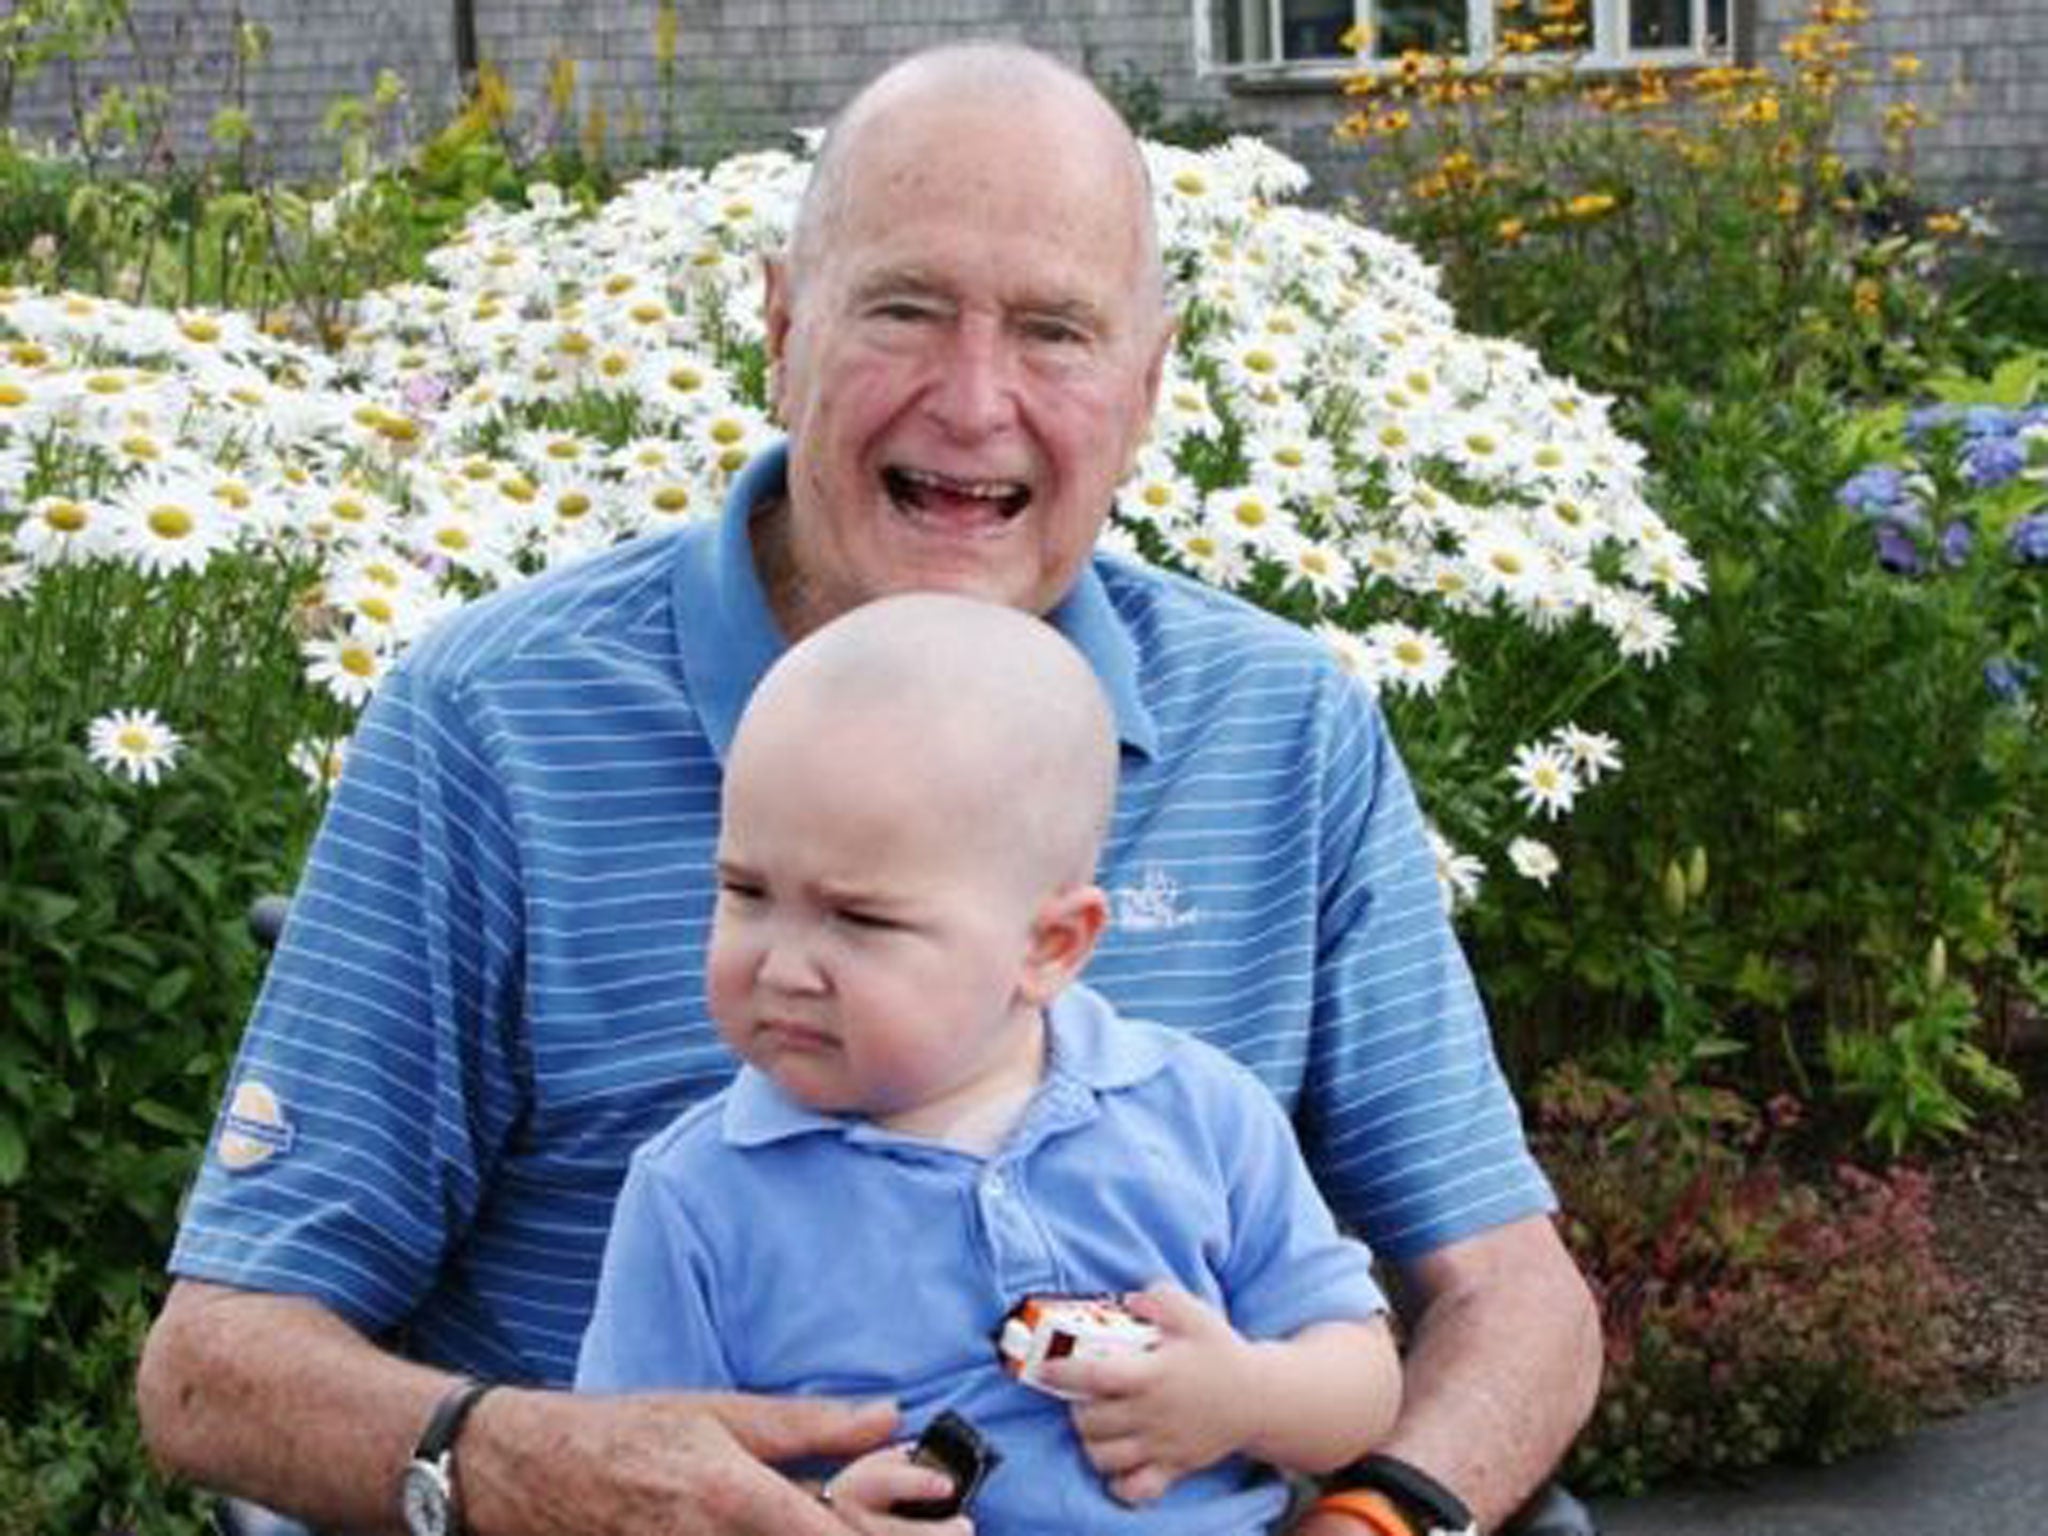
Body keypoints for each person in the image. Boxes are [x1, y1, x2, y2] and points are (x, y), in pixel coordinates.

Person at [137, 40, 1600, 1536]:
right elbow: (213, 1369)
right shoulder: (496, 724)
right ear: (781, 328)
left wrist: (1385, 1517)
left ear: (1148, 386)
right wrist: (541, 1473)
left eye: (1054, 333)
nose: (975, 404)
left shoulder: (1282, 727)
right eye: (904, 311)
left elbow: (1512, 1296)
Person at [575, 592, 1404, 1534]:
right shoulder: (699, 1195)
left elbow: (1360, 1379)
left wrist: (1246, 1396)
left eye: (860, 918)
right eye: (746, 891)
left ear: (1050, 946)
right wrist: (814, 1515)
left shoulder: (1199, 1115)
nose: (783, 963)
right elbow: (632, 1489)